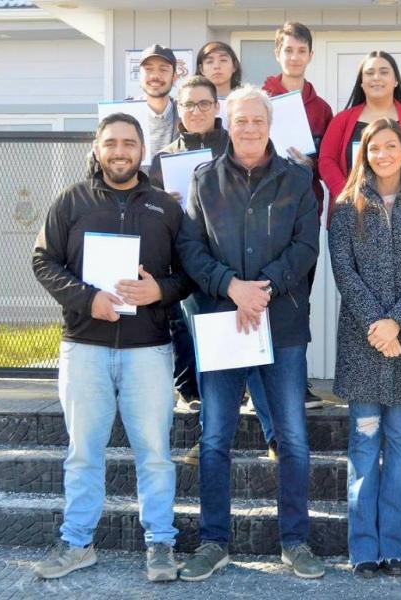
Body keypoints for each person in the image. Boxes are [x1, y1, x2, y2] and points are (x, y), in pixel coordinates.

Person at [30, 113, 189, 582]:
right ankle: (78, 542)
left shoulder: (165, 207)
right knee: (84, 451)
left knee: (155, 452)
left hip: (149, 350)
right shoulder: (71, 201)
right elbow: (43, 260)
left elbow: (189, 273)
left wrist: (159, 290)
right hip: (85, 347)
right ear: (98, 149)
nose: (120, 151)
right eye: (111, 143)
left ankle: (161, 543)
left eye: (129, 143)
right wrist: (88, 298)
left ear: (142, 150)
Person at [176, 85, 322, 581]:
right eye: (240, 121)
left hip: (280, 325)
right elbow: (191, 250)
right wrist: (231, 288)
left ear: (270, 124)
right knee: (215, 437)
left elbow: (305, 247)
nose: (249, 129)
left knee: (293, 438)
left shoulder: (298, 180)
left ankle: (296, 541)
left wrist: (262, 291)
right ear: (227, 122)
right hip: (222, 321)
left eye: (258, 120)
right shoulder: (204, 182)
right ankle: (213, 541)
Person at [329, 118, 401, 578]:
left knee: (400, 446)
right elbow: (344, 271)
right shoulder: (345, 207)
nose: (382, 154)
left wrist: (397, 322)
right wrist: (378, 325)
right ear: (364, 155)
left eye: (390, 146)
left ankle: (397, 546)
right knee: (364, 446)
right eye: (374, 147)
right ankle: (363, 548)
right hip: (362, 343)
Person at [148, 75, 278, 460]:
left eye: (204, 104)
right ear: (179, 111)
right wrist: (165, 200)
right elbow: (157, 216)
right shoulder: (164, 157)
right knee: (211, 355)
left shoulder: (235, 143)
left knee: (253, 350)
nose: (196, 111)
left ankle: (274, 437)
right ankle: (210, 439)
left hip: (244, 272)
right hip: (196, 270)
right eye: (188, 105)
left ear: (217, 108)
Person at [263, 21, 334, 410]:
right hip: (262, 215)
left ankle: (296, 384)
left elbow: (331, 163)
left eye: (301, 50)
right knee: (259, 294)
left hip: (304, 214)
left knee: (298, 299)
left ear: (310, 55)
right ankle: (253, 384)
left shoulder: (321, 109)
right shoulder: (260, 97)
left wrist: (312, 162)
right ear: (278, 53)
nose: (294, 56)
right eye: (287, 50)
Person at [319, 50, 401, 219]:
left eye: (384, 72)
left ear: (396, 80)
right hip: (352, 215)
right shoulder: (341, 120)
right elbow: (326, 161)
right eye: (369, 73)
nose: (376, 77)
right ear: (362, 82)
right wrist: (349, 196)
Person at [136, 44, 180, 157]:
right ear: (139, 76)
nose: (155, 75)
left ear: (174, 77)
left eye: (163, 69)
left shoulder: (186, 114)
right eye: (148, 69)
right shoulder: (124, 114)